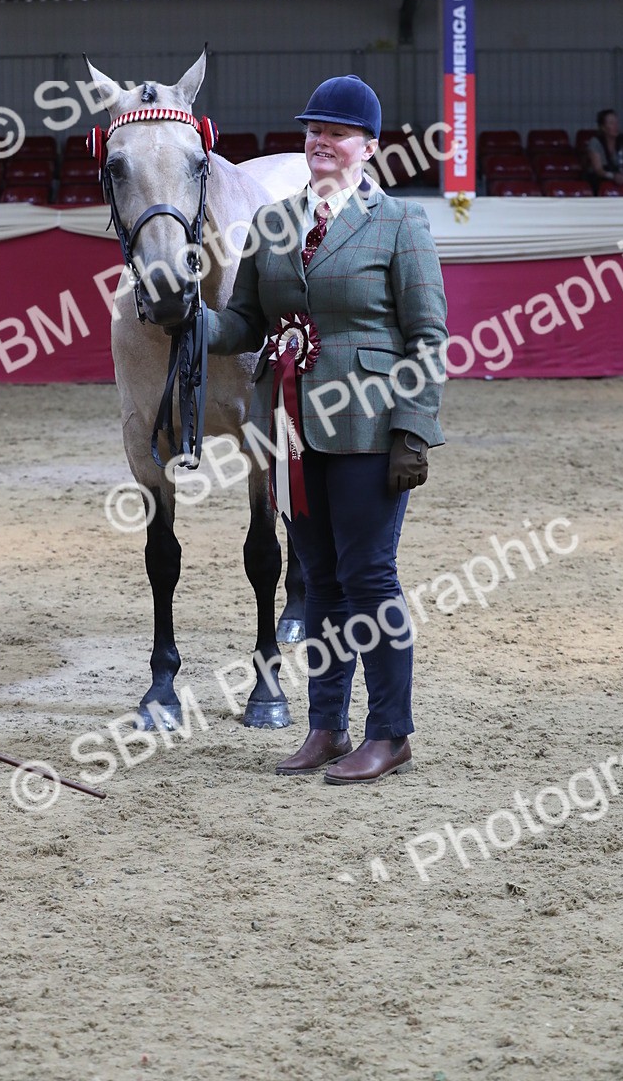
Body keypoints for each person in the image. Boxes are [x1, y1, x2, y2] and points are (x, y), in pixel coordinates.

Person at [206, 75, 448, 784]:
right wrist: (190, 323)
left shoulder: (399, 223)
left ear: (369, 148)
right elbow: (244, 322)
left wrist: (413, 429)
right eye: (314, 129)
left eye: (337, 133)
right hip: (291, 431)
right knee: (319, 580)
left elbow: (428, 334)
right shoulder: (275, 223)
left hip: (373, 429)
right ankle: (326, 726)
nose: (321, 140)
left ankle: (390, 734)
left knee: (371, 578)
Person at [586, 109, 623, 191]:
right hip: (602, 176)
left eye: (616, 123)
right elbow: (598, 169)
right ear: (603, 127)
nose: (616, 126)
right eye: (611, 123)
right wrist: (613, 176)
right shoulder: (595, 142)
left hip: (622, 174)